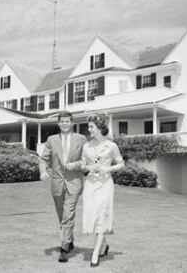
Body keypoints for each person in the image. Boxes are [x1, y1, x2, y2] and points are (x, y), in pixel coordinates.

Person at [66, 114, 125, 267]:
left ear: (99, 128)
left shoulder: (111, 146)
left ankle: (96, 252)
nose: (89, 129)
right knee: (93, 216)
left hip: (105, 184)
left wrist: (107, 168)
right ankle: (104, 244)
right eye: (89, 126)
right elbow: (84, 164)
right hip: (91, 184)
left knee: (101, 215)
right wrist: (88, 167)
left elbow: (121, 164)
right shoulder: (87, 146)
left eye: (91, 126)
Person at [39, 111, 88, 263]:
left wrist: (75, 165)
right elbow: (43, 159)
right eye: (62, 122)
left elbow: (87, 160)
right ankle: (70, 239)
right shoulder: (51, 140)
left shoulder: (81, 139)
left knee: (68, 214)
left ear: (72, 123)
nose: (65, 124)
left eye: (67, 122)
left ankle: (64, 248)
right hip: (57, 183)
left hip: (74, 182)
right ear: (58, 123)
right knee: (62, 216)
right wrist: (43, 171)